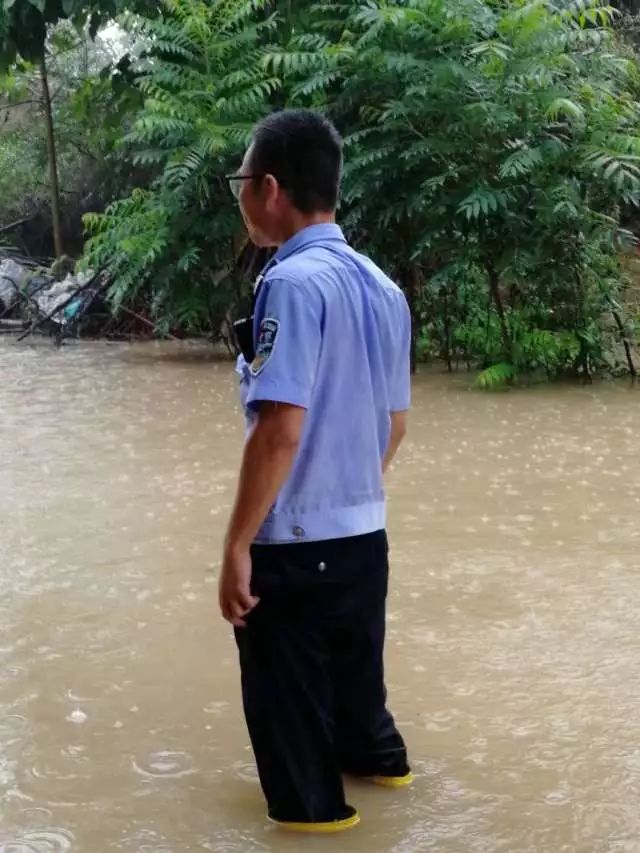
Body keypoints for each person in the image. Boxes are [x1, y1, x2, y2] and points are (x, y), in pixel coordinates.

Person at [219, 108, 412, 833]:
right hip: (364, 542)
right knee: (364, 736)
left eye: (241, 180)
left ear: (269, 188)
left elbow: (278, 428)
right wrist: (347, 493)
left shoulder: (291, 282)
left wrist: (238, 543)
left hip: (295, 555)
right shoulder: (382, 287)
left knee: (303, 794)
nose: (239, 195)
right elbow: (393, 425)